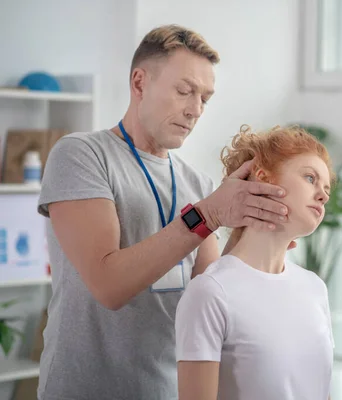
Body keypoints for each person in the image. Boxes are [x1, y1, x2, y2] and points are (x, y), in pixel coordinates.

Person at [36, 25, 293, 400]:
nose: (195, 110)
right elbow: (109, 285)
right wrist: (208, 215)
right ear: (139, 83)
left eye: (205, 98)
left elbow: (213, 294)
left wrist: (261, 246)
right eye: (185, 91)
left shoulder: (199, 184)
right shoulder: (81, 155)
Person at [175, 124, 336, 400]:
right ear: (263, 178)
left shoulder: (314, 288)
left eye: (326, 190)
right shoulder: (211, 293)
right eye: (310, 178)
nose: (322, 194)